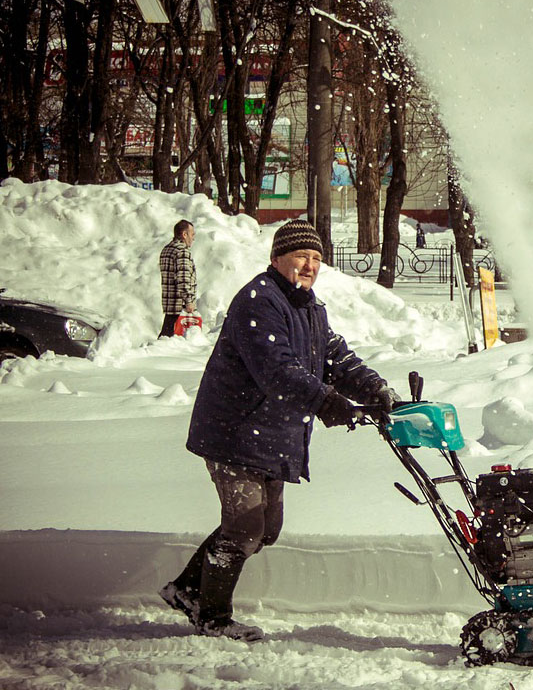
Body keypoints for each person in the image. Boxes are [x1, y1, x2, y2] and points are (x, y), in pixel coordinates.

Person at [159, 219, 402, 641]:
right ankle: (210, 613)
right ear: (277, 259)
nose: (309, 266)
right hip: (235, 430)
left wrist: (374, 387)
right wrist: (326, 402)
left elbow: (334, 357)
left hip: (271, 433)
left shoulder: (308, 306)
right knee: (245, 526)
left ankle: (186, 589)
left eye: (316, 259)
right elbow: (277, 370)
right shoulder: (259, 301)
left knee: (265, 529)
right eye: (301, 257)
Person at [159, 219, 197, 337]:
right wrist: (189, 301)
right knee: (173, 342)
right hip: (180, 306)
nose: (193, 238)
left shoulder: (166, 250)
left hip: (169, 305)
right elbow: (183, 278)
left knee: (166, 335)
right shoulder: (182, 252)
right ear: (184, 235)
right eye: (192, 234)